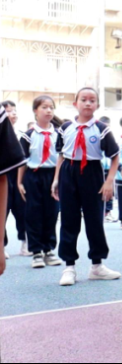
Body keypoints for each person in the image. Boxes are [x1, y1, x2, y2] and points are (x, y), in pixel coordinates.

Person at [54, 88, 122, 287]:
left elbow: (115, 156)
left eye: (92, 100)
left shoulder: (102, 129)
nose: (87, 103)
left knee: (94, 220)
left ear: (97, 106)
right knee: (68, 219)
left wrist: (109, 181)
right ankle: (69, 267)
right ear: (75, 103)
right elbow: (61, 154)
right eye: (83, 99)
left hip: (92, 172)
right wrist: (56, 178)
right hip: (68, 170)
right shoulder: (65, 127)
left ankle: (97, 266)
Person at [19, 96, 63, 269]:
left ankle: (49, 249)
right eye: (44, 107)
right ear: (35, 111)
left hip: (53, 174)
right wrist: (20, 182)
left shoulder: (58, 134)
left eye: (51, 107)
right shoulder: (28, 135)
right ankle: (36, 251)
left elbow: (61, 157)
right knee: (33, 213)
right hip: (33, 175)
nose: (49, 110)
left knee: (51, 213)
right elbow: (22, 160)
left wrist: (57, 179)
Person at [1, 104, 27, 274]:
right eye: (9, 110)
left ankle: (24, 241)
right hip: (7, 175)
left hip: (16, 175)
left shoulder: (21, 135)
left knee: (22, 211)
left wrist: (20, 182)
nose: (12, 113)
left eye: (14, 110)